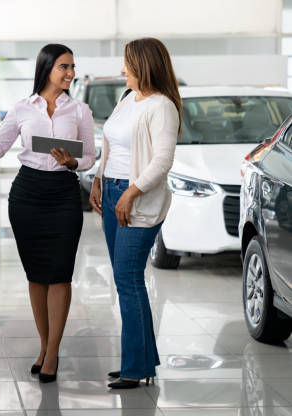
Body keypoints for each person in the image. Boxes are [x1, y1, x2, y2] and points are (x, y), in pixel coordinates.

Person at [0, 44, 95, 383]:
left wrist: (73, 162)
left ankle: (53, 353)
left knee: (60, 274)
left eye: (72, 66)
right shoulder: (21, 110)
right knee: (36, 276)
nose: (70, 72)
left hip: (63, 195)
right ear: (46, 69)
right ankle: (44, 347)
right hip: (27, 195)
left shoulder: (80, 111)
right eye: (64, 66)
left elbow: (89, 156)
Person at [89, 38, 181, 389]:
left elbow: (162, 160)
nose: (122, 69)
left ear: (143, 65)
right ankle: (140, 360)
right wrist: (98, 178)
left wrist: (130, 192)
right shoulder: (128, 99)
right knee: (126, 279)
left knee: (128, 280)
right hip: (111, 192)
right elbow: (109, 144)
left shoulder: (161, 107)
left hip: (137, 201)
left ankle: (135, 366)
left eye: (127, 63)